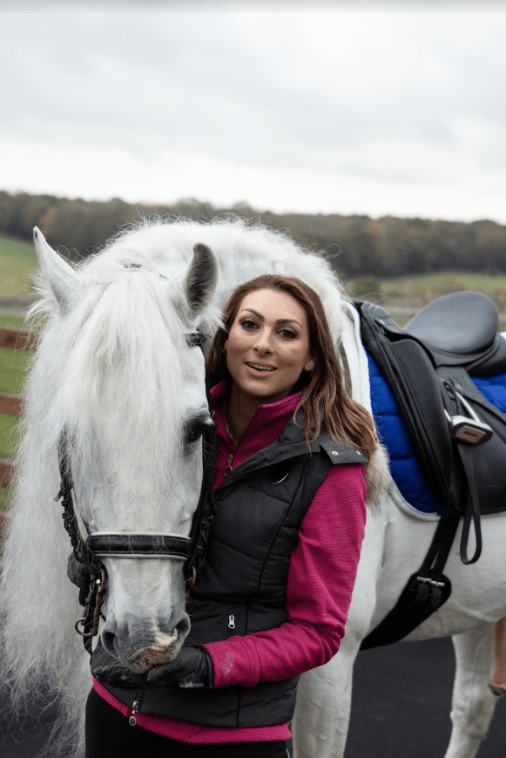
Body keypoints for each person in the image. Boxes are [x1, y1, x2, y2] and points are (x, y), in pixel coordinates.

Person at [86, 274, 377, 758]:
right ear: (226, 337)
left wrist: (207, 665)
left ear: (311, 358)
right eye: (249, 324)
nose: (263, 344)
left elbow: (319, 631)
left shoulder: (332, 470)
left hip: (230, 737)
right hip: (116, 710)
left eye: (286, 333)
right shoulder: (171, 425)